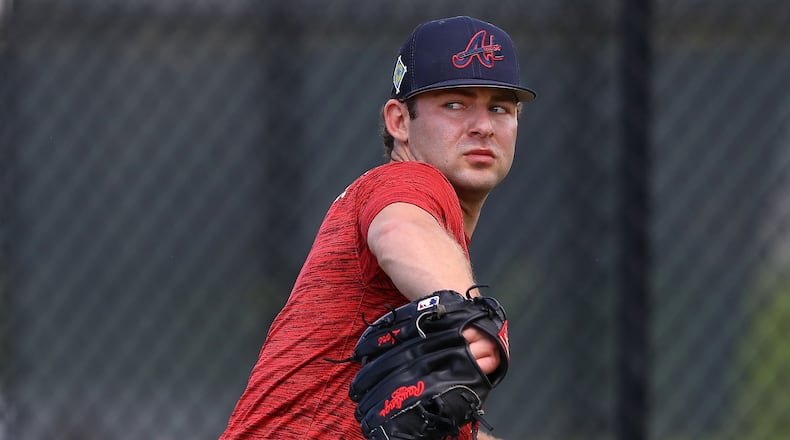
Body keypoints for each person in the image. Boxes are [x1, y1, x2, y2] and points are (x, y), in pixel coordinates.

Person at [220, 15, 535, 440]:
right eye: (455, 104)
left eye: (499, 107)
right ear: (400, 122)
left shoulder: (430, 224)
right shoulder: (406, 183)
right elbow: (399, 230)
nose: (483, 125)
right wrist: (462, 313)